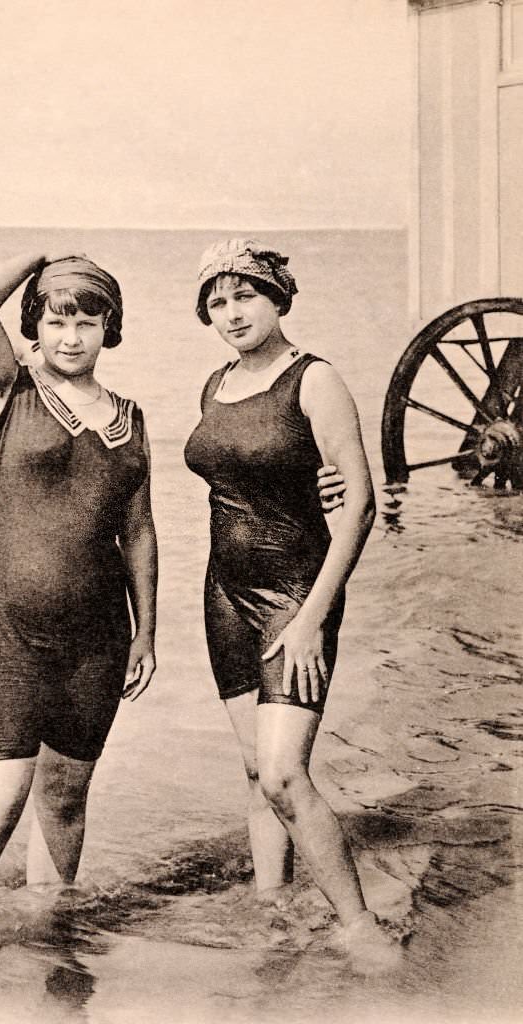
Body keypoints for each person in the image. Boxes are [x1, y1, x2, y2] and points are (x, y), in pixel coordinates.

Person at [0, 252, 157, 950]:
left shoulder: (132, 418)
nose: (72, 336)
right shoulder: (7, 392)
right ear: (35, 325)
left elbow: (139, 532)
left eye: (89, 320)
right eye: (57, 320)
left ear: (109, 328)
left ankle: (49, 942)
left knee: (64, 798)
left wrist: (147, 632)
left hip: (98, 639)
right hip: (1, 630)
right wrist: (42, 256)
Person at [184, 238, 399, 970]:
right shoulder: (213, 384)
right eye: (216, 302)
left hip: (293, 597)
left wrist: (311, 618)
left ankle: (359, 926)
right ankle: (273, 908)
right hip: (223, 595)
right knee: (253, 771)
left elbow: (361, 504)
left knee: (283, 774)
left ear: (277, 298)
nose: (231, 313)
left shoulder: (315, 378)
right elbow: (236, 484)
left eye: (244, 295)